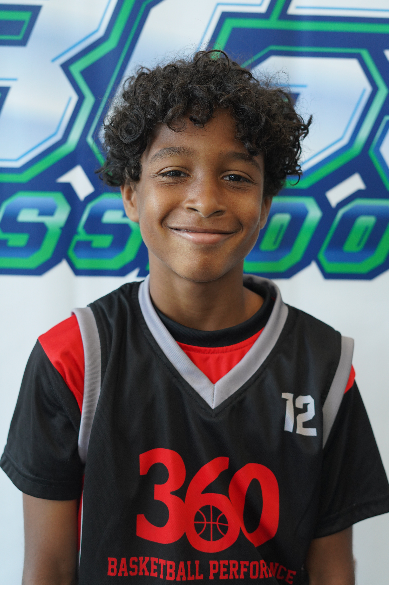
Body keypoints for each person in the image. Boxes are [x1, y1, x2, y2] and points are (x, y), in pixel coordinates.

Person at [1, 51, 388, 585]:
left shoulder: (323, 365)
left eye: (236, 176)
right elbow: (49, 568)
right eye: (174, 172)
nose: (205, 200)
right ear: (131, 194)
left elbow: (332, 571)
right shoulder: (74, 356)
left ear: (265, 204)